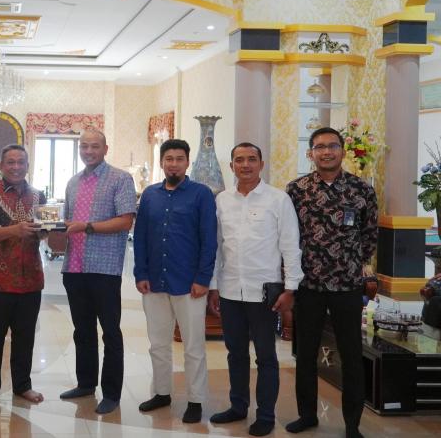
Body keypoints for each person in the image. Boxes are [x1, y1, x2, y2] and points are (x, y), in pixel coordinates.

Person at [285, 127, 377, 438]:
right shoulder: (296, 190)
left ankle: (352, 424)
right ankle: (307, 415)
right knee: (305, 355)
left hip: (347, 287)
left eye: (332, 146)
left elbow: (369, 236)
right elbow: (288, 236)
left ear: (342, 151)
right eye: (320, 147)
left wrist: (350, 264)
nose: (327, 152)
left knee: (351, 357)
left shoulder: (361, 190)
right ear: (310, 153)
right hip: (308, 286)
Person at [208, 142, 303, 436]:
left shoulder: (278, 199)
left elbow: (291, 246)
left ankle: (265, 415)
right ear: (232, 166)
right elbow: (217, 248)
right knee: (235, 353)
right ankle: (238, 406)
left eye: (251, 159)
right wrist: (214, 287)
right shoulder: (222, 200)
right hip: (230, 290)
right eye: (239, 160)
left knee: (266, 356)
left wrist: (291, 289)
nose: (245, 165)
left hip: (265, 293)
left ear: (261, 164)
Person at [133, 138, 217, 423]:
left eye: (179, 159)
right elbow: (141, 237)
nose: (174, 164)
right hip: (154, 282)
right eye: (169, 159)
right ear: (162, 162)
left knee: (193, 346)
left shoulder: (201, 194)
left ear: (187, 162)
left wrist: (203, 278)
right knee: (158, 343)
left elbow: (209, 240)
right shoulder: (150, 195)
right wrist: (141, 273)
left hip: (189, 284)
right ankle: (161, 392)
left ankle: (196, 400)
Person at [60, 130, 136, 415]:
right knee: (82, 330)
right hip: (74, 266)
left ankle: (112, 393)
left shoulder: (120, 179)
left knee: (110, 332)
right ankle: (86, 383)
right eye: (84, 146)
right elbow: (68, 221)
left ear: (105, 148)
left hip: (104, 268)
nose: (88, 151)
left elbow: (125, 221)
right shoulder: (73, 182)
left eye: (94, 146)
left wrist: (88, 226)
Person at [0, 144, 45, 408]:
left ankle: (22, 385)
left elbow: (45, 232)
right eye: (10, 162)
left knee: (25, 337)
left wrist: (53, 230)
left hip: (31, 279)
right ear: (2, 166)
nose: (16, 167)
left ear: (28, 166)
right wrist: (15, 230)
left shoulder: (38, 196)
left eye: (21, 162)